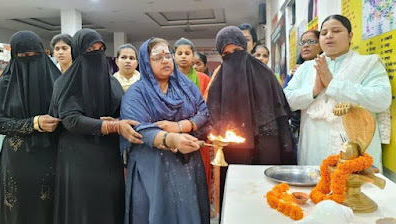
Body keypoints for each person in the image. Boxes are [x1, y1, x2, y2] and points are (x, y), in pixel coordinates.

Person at [50, 29, 140, 224]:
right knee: (83, 209)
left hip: (107, 155)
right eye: (90, 49)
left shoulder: (112, 83)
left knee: (107, 207)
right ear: (78, 52)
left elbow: (121, 114)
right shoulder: (65, 83)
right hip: (78, 157)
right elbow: (71, 119)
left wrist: (116, 121)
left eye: (101, 49)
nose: (96, 54)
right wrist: (111, 126)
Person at [207, 26, 295, 216]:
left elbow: (280, 115)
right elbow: (212, 116)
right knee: (238, 202)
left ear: (245, 48)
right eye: (226, 54)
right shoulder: (219, 80)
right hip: (233, 153)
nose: (232, 57)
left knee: (266, 199)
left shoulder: (266, 75)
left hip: (267, 147)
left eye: (237, 51)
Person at [284, 15, 391, 170]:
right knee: (314, 190)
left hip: (354, 151)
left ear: (350, 36)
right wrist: (314, 91)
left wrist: (333, 84)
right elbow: (286, 101)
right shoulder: (306, 68)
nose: (329, 36)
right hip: (313, 149)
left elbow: (382, 99)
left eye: (336, 30)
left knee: (354, 191)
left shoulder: (368, 64)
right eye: (324, 32)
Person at [121, 37, 210, 224]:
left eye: (168, 56)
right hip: (152, 165)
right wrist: (171, 139)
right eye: (157, 58)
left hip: (187, 162)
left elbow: (203, 112)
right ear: (146, 62)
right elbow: (140, 129)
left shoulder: (185, 87)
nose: (165, 61)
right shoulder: (136, 93)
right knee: (159, 213)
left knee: (187, 212)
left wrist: (181, 126)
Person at [0, 31, 61, 224]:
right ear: (14, 57)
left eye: (35, 56)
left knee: (47, 210)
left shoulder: (56, 80)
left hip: (50, 155)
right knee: (18, 212)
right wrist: (33, 123)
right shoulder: (4, 85)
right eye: (23, 57)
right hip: (17, 161)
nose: (30, 61)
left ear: (43, 53)